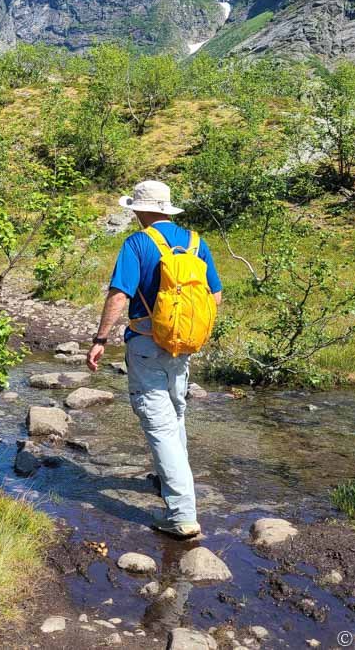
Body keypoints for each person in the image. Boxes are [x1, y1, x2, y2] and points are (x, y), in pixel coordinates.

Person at [86, 179, 223, 539]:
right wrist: (185, 327)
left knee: (159, 425)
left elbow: (119, 295)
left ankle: (181, 515)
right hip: (183, 345)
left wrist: (101, 338)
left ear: (141, 210)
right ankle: (167, 484)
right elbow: (216, 296)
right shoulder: (196, 242)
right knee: (175, 414)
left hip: (146, 345)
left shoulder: (138, 243)